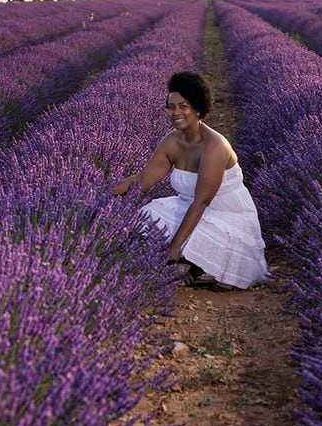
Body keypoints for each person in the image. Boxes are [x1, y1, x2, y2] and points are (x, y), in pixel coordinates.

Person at [112, 71, 268, 290]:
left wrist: (175, 246)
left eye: (183, 106)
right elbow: (142, 181)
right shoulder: (172, 141)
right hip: (190, 206)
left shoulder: (215, 146)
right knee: (148, 213)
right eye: (171, 106)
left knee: (188, 235)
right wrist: (101, 197)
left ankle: (194, 264)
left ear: (197, 109)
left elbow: (202, 201)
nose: (176, 112)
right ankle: (191, 266)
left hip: (227, 215)